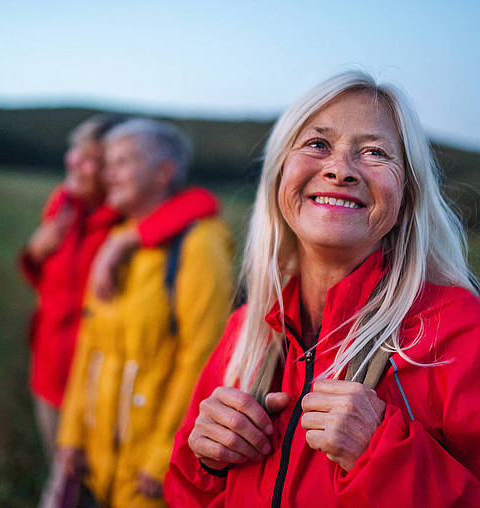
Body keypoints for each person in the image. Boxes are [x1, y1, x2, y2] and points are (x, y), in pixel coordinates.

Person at [165, 71, 480, 507]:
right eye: (318, 145)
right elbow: (184, 495)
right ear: (280, 175)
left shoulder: (460, 331)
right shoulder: (247, 328)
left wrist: (384, 456)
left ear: (407, 194)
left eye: (374, 152)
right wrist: (207, 461)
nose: (339, 169)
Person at [18, 116, 221, 490]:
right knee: (67, 483)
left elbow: (199, 201)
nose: (74, 163)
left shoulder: (129, 225)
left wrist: (125, 240)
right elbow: (52, 291)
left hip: (117, 410)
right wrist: (34, 251)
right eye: (74, 152)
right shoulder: (65, 207)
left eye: (96, 159)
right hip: (52, 377)